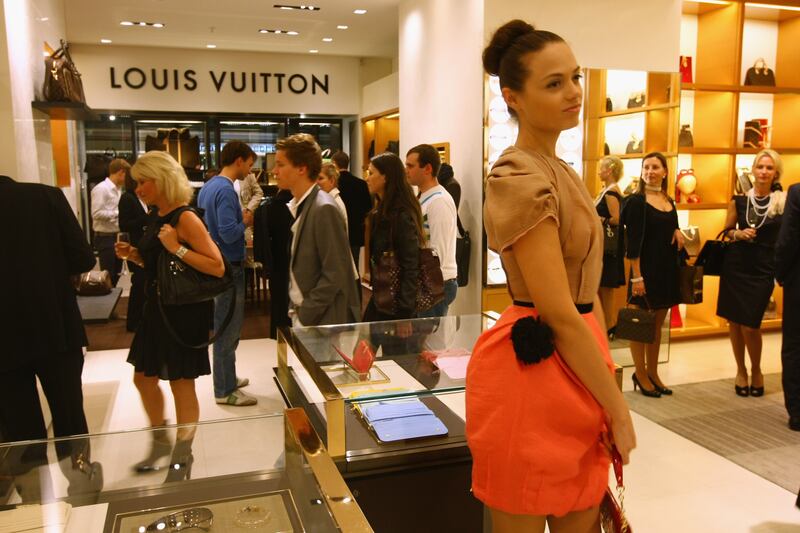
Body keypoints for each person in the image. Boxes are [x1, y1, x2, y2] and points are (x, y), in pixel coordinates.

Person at [467, 21, 636, 531]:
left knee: (582, 508)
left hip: (580, 359)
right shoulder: (517, 176)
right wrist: (620, 411)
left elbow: (579, 308)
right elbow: (559, 310)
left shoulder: (559, 169)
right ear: (512, 96)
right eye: (554, 83)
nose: (574, 93)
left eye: (576, 78)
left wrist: (607, 387)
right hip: (534, 372)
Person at [117, 151, 226, 480]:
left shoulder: (185, 218)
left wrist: (176, 247)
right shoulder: (156, 215)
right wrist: (135, 255)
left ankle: (182, 456)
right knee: (143, 378)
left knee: (181, 383)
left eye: (142, 182)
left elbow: (217, 267)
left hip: (182, 314)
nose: (138, 189)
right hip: (157, 309)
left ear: (161, 180)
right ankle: (161, 441)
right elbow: (161, 266)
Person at [0, 175, 100, 498]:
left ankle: (35, 502)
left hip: (4, 337)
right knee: (69, 411)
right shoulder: (45, 197)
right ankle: (82, 487)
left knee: (20, 425)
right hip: (55, 323)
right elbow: (83, 258)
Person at [718, 149, 785, 398]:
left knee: (750, 324)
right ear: (753, 170)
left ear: (775, 172)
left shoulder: (784, 201)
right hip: (736, 265)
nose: (764, 172)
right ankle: (741, 370)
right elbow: (726, 231)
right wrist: (738, 233)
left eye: (769, 168)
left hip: (763, 268)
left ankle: (757, 369)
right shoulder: (739, 200)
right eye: (760, 167)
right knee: (734, 322)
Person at [274, 134, 361, 327]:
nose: (274, 171)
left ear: (301, 169)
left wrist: (306, 313)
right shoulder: (304, 205)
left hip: (324, 321)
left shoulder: (324, 208)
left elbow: (335, 273)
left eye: (280, 165)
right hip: (310, 317)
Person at [197, 141, 258, 406]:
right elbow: (228, 232)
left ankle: (227, 378)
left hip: (215, 263)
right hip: (228, 265)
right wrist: (245, 220)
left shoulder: (208, 186)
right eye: (249, 164)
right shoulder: (225, 189)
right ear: (239, 160)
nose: (250, 170)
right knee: (228, 328)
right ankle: (224, 389)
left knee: (224, 324)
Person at [624, 152, 684, 398]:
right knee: (641, 325)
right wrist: (637, 276)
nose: (650, 171)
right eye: (646, 167)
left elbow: (669, 227)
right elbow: (634, 243)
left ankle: (653, 373)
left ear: (665, 172)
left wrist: (678, 230)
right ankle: (640, 372)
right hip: (644, 271)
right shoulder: (637, 202)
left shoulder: (669, 200)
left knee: (658, 325)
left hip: (665, 270)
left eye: (655, 167)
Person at [406, 144, 458, 317]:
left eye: (411, 166)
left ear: (427, 168)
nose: (407, 170)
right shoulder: (424, 198)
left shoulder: (439, 201)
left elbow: (439, 251)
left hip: (436, 283)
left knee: (430, 342)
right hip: (428, 282)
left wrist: (425, 285)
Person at [775, 181, 800, 430]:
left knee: (794, 345)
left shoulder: (797, 192)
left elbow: (788, 238)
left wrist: (780, 273)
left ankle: (797, 412)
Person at [595, 155, 625, 337]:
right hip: (604, 247)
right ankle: (605, 324)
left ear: (609, 170)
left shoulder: (612, 193)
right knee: (602, 286)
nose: (599, 171)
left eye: (601, 168)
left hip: (608, 248)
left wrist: (600, 219)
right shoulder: (606, 191)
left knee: (606, 287)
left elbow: (617, 219)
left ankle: (609, 324)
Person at [118, 171, 152, 332]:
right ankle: (134, 321)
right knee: (138, 283)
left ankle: (140, 319)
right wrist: (146, 218)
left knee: (141, 282)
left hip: (142, 245)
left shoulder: (140, 199)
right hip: (135, 245)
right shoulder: (127, 198)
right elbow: (124, 224)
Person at [91, 158, 129, 286]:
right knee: (108, 275)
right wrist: (119, 213)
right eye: (126, 175)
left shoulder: (118, 189)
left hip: (116, 236)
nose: (127, 179)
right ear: (121, 172)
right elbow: (96, 214)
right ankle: (107, 304)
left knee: (116, 274)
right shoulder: (101, 189)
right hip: (105, 237)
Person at [332, 150, 372, 268]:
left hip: (337, 231)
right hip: (356, 231)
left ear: (334, 164)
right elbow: (368, 208)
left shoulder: (333, 184)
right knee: (354, 267)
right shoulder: (361, 184)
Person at [317, 162, 349, 230]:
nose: (317, 182)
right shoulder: (329, 200)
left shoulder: (332, 204)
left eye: (320, 178)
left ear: (331, 181)